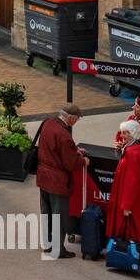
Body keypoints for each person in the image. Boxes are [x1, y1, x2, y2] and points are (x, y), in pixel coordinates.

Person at [35, 103, 87, 258]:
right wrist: (83, 161)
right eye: (76, 119)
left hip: (43, 176)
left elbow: (53, 148)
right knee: (58, 215)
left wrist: (74, 151)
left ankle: (47, 244)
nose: (76, 122)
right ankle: (58, 250)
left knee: (46, 212)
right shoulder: (64, 136)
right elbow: (70, 163)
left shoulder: (48, 123)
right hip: (57, 181)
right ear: (70, 117)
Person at [106, 119, 140, 262]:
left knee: (133, 228)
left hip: (131, 198)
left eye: (125, 133)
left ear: (133, 133)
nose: (122, 135)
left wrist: (126, 205)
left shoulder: (132, 154)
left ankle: (134, 257)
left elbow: (131, 181)